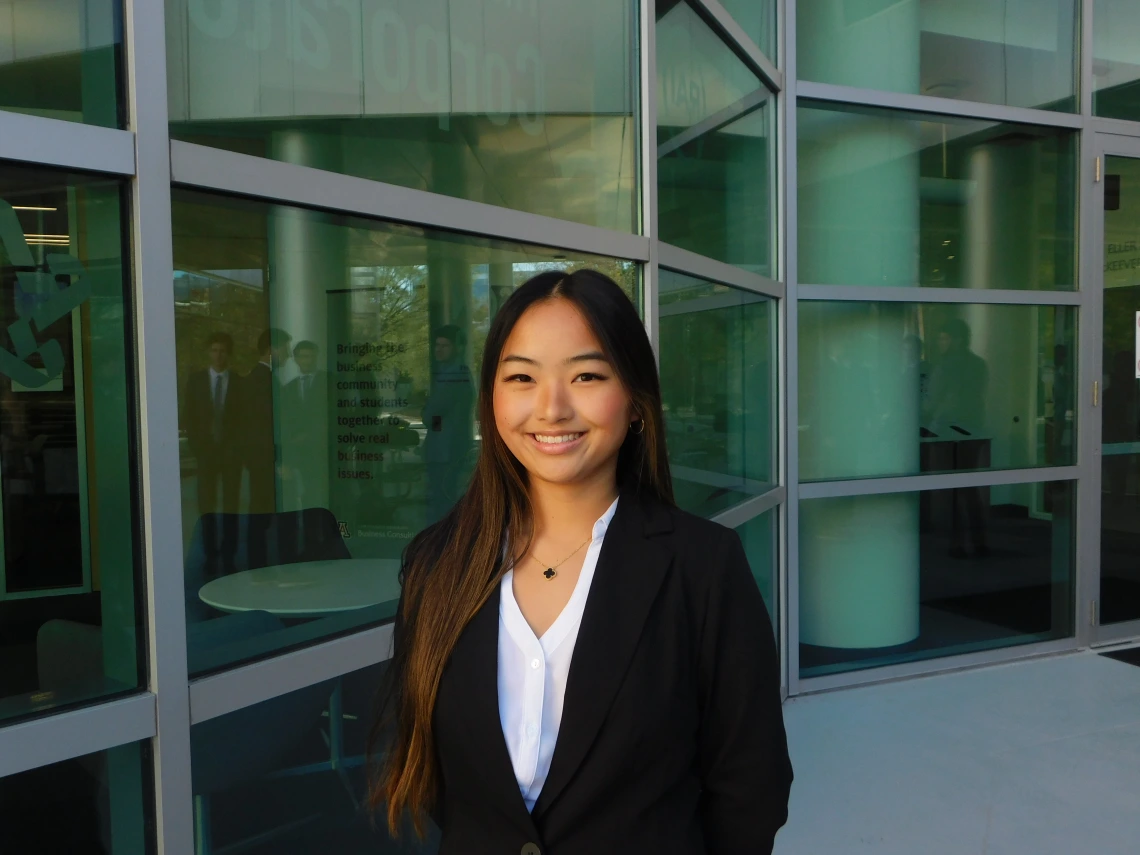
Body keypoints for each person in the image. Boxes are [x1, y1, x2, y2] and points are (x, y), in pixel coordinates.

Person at [369, 270, 792, 853]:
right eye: (521, 377)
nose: (552, 407)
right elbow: (444, 782)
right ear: (491, 399)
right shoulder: (438, 563)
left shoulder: (703, 568)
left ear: (637, 402)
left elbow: (752, 787)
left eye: (587, 375)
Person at [181, 331, 243, 577]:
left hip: (230, 454)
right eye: (214, 350)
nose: (219, 355)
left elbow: (243, 419)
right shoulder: (196, 381)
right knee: (206, 505)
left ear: (229, 354)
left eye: (223, 351)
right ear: (209, 353)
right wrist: (198, 448)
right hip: (206, 452)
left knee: (230, 505)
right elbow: (189, 417)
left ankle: (229, 556)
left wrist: (237, 449)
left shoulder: (238, 381)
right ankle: (208, 554)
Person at [243, 327, 291, 567]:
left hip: (260, 459)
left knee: (261, 511)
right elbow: (263, 428)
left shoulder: (259, 379)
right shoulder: (262, 381)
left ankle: (259, 561)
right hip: (264, 460)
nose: (289, 355)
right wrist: (277, 461)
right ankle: (259, 563)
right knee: (262, 512)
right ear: (272, 350)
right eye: (286, 349)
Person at [420, 324, 474, 524]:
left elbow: (435, 413)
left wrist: (426, 414)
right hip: (447, 447)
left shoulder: (454, 373)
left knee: (442, 501)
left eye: (445, 346)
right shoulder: (452, 372)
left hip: (446, 449)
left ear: (457, 348)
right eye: (437, 345)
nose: (438, 349)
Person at [281, 340, 329, 510]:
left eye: (311, 357)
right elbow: (286, 422)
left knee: (323, 494)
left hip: (324, 450)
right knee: (303, 495)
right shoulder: (288, 388)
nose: (308, 361)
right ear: (296, 359)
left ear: (317, 357)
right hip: (299, 452)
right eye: (303, 357)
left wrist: (310, 434)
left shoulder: (330, 382)